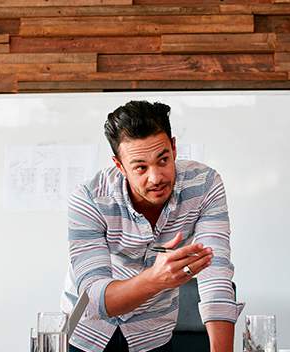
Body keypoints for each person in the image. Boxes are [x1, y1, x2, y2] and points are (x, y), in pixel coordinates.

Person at [62, 100, 242, 352]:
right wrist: (156, 279)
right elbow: (97, 298)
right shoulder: (89, 198)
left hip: (153, 333)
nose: (156, 177)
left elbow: (216, 273)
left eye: (163, 160)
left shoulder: (204, 185)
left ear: (174, 148)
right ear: (119, 165)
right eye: (140, 167)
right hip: (89, 333)